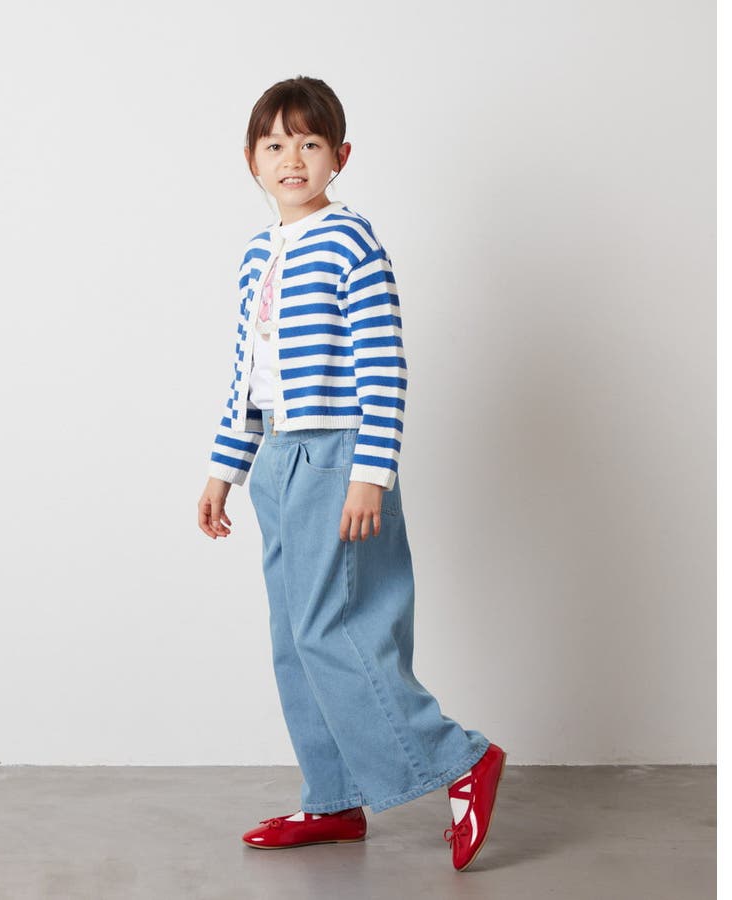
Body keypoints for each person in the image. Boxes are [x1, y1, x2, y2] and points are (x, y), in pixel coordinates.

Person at [197, 75, 506, 872]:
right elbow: (248, 376)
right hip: (277, 459)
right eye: (275, 144)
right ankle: (333, 798)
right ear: (250, 160)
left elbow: (383, 363)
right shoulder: (258, 255)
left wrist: (372, 472)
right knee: (292, 638)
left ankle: (462, 759)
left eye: (309, 142)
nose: (292, 158)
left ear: (340, 155)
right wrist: (225, 468)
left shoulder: (349, 242)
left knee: (333, 629)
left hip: (336, 453)